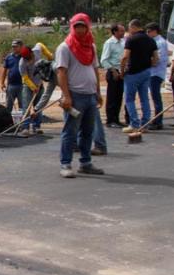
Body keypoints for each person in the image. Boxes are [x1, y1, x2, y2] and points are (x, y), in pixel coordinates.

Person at [56, 13, 104, 178]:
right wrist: (66, 95)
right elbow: (61, 72)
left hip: (90, 95)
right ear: (72, 27)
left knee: (87, 132)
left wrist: (98, 91)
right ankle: (65, 164)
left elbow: (95, 69)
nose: (80, 30)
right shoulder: (65, 47)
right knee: (70, 132)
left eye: (83, 26)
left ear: (87, 27)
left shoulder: (91, 46)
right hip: (75, 96)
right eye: (77, 27)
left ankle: (85, 163)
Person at [120, 19, 159, 133]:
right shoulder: (151, 40)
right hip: (146, 71)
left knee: (129, 99)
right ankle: (145, 124)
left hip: (132, 72)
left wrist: (122, 71)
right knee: (144, 98)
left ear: (133, 27)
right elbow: (156, 58)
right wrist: (149, 65)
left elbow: (125, 57)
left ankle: (134, 124)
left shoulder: (131, 39)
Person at [18, 43, 53, 136]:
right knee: (27, 107)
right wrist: (33, 87)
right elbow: (25, 78)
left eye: (28, 57)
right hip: (28, 86)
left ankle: (36, 127)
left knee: (38, 107)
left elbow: (40, 44)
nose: (27, 59)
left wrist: (48, 55)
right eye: (25, 58)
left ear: (31, 52)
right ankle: (25, 128)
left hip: (39, 84)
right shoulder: (22, 62)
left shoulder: (36, 51)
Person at [100, 23, 126, 127]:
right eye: (121, 31)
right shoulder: (109, 43)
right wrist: (113, 70)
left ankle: (116, 118)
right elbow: (104, 60)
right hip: (113, 71)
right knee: (112, 96)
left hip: (121, 71)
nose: (123, 33)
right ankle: (110, 120)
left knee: (119, 97)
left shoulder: (123, 42)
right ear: (115, 32)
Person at [146, 22, 168, 130]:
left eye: (149, 31)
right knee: (155, 97)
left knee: (156, 97)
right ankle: (157, 119)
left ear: (155, 31)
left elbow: (157, 59)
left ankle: (158, 121)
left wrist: (145, 61)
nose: (147, 33)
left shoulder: (160, 42)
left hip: (156, 73)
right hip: (154, 72)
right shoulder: (155, 41)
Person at [1, 39, 24, 111]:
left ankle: (22, 120)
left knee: (22, 105)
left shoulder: (24, 57)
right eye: (13, 47)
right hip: (11, 85)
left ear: (21, 47)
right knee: (8, 105)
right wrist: (2, 83)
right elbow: (4, 71)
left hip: (22, 85)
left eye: (16, 46)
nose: (14, 48)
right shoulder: (9, 57)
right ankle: (8, 121)